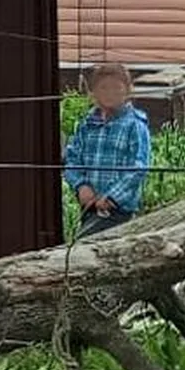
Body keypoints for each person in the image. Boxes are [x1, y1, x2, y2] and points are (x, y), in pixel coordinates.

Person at [63, 63, 152, 239]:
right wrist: (81, 186)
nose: (109, 93)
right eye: (103, 87)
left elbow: (138, 168)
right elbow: (72, 159)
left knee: (87, 246)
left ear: (128, 91)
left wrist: (112, 197)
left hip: (119, 211)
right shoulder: (87, 125)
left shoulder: (134, 125)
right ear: (93, 93)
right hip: (89, 207)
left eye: (116, 88)